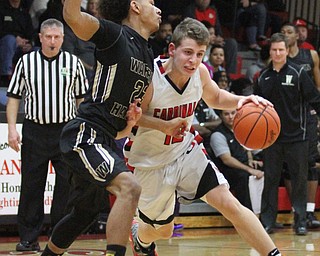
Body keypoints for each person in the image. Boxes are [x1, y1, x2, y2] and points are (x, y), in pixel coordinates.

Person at [125, 17, 281, 256]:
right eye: (188, 52)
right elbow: (131, 118)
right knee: (163, 231)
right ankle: (140, 238)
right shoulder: (150, 77)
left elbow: (216, 97)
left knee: (229, 204)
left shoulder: (200, 73)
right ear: (172, 49)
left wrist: (243, 101)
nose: (193, 60)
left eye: (199, 54)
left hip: (185, 152)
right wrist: (164, 125)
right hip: (149, 161)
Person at [40, 1, 161, 256]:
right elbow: (72, 15)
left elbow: (121, 129)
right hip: (86, 133)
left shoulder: (148, 55)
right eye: (151, 2)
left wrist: (130, 123)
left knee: (83, 214)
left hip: (107, 138)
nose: (158, 8)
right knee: (130, 187)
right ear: (135, 6)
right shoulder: (114, 35)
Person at [6, 18, 88, 252]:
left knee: (65, 187)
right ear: (40, 38)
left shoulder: (74, 63)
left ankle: (59, 238)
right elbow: (14, 98)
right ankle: (29, 238)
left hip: (66, 131)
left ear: (63, 38)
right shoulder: (26, 62)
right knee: (31, 185)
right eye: (48, 37)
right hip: (35, 130)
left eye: (57, 37)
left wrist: (81, 131)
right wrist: (12, 128)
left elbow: (82, 101)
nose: (52, 41)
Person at [254, 32, 320, 236]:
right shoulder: (262, 77)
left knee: (299, 180)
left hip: (297, 137)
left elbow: (315, 99)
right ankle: (267, 221)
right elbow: (256, 107)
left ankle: (300, 222)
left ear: (287, 50)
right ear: (270, 51)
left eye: (281, 49)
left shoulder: (299, 72)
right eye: (274, 50)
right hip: (271, 139)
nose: (277, 53)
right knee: (271, 180)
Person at [280, 22, 320, 229]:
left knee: (310, 163)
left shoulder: (310, 56)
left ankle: (310, 212)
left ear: (297, 36)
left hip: (308, 117)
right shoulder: (279, 59)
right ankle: (298, 211)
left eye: (289, 32)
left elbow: (317, 87)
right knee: (289, 166)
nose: (285, 35)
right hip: (287, 118)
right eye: (283, 32)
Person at [210, 109, 264, 210]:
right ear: (221, 116)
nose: (230, 116)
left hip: (243, 165)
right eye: (226, 114)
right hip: (227, 171)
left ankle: (265, 214)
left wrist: (251, 161)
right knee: (243, 176)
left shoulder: (241, 130)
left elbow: (248, 149)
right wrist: (249, 169)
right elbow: (227, 160)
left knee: (270, 170)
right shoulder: (217, 135)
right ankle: (248, 213)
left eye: (232, 113)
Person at [183, 0, 238, 74]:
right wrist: (206, 39)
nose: (205, 1)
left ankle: (230, 75)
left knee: (231, 43)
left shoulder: (213, 10)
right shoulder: (190, 10)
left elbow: (218, 30)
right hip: (197, 41)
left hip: (213, 39)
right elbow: (190, 32)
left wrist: (218, 38)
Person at [0, 0, 34, 106]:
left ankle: (34, 81)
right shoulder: (2, 9)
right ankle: (7, 77)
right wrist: (16, 39)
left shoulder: (24, 12)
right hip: (6, 43)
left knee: (37, 50)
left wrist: (30, 44)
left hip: (23, 46)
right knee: (9, 40)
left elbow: (31, 33)